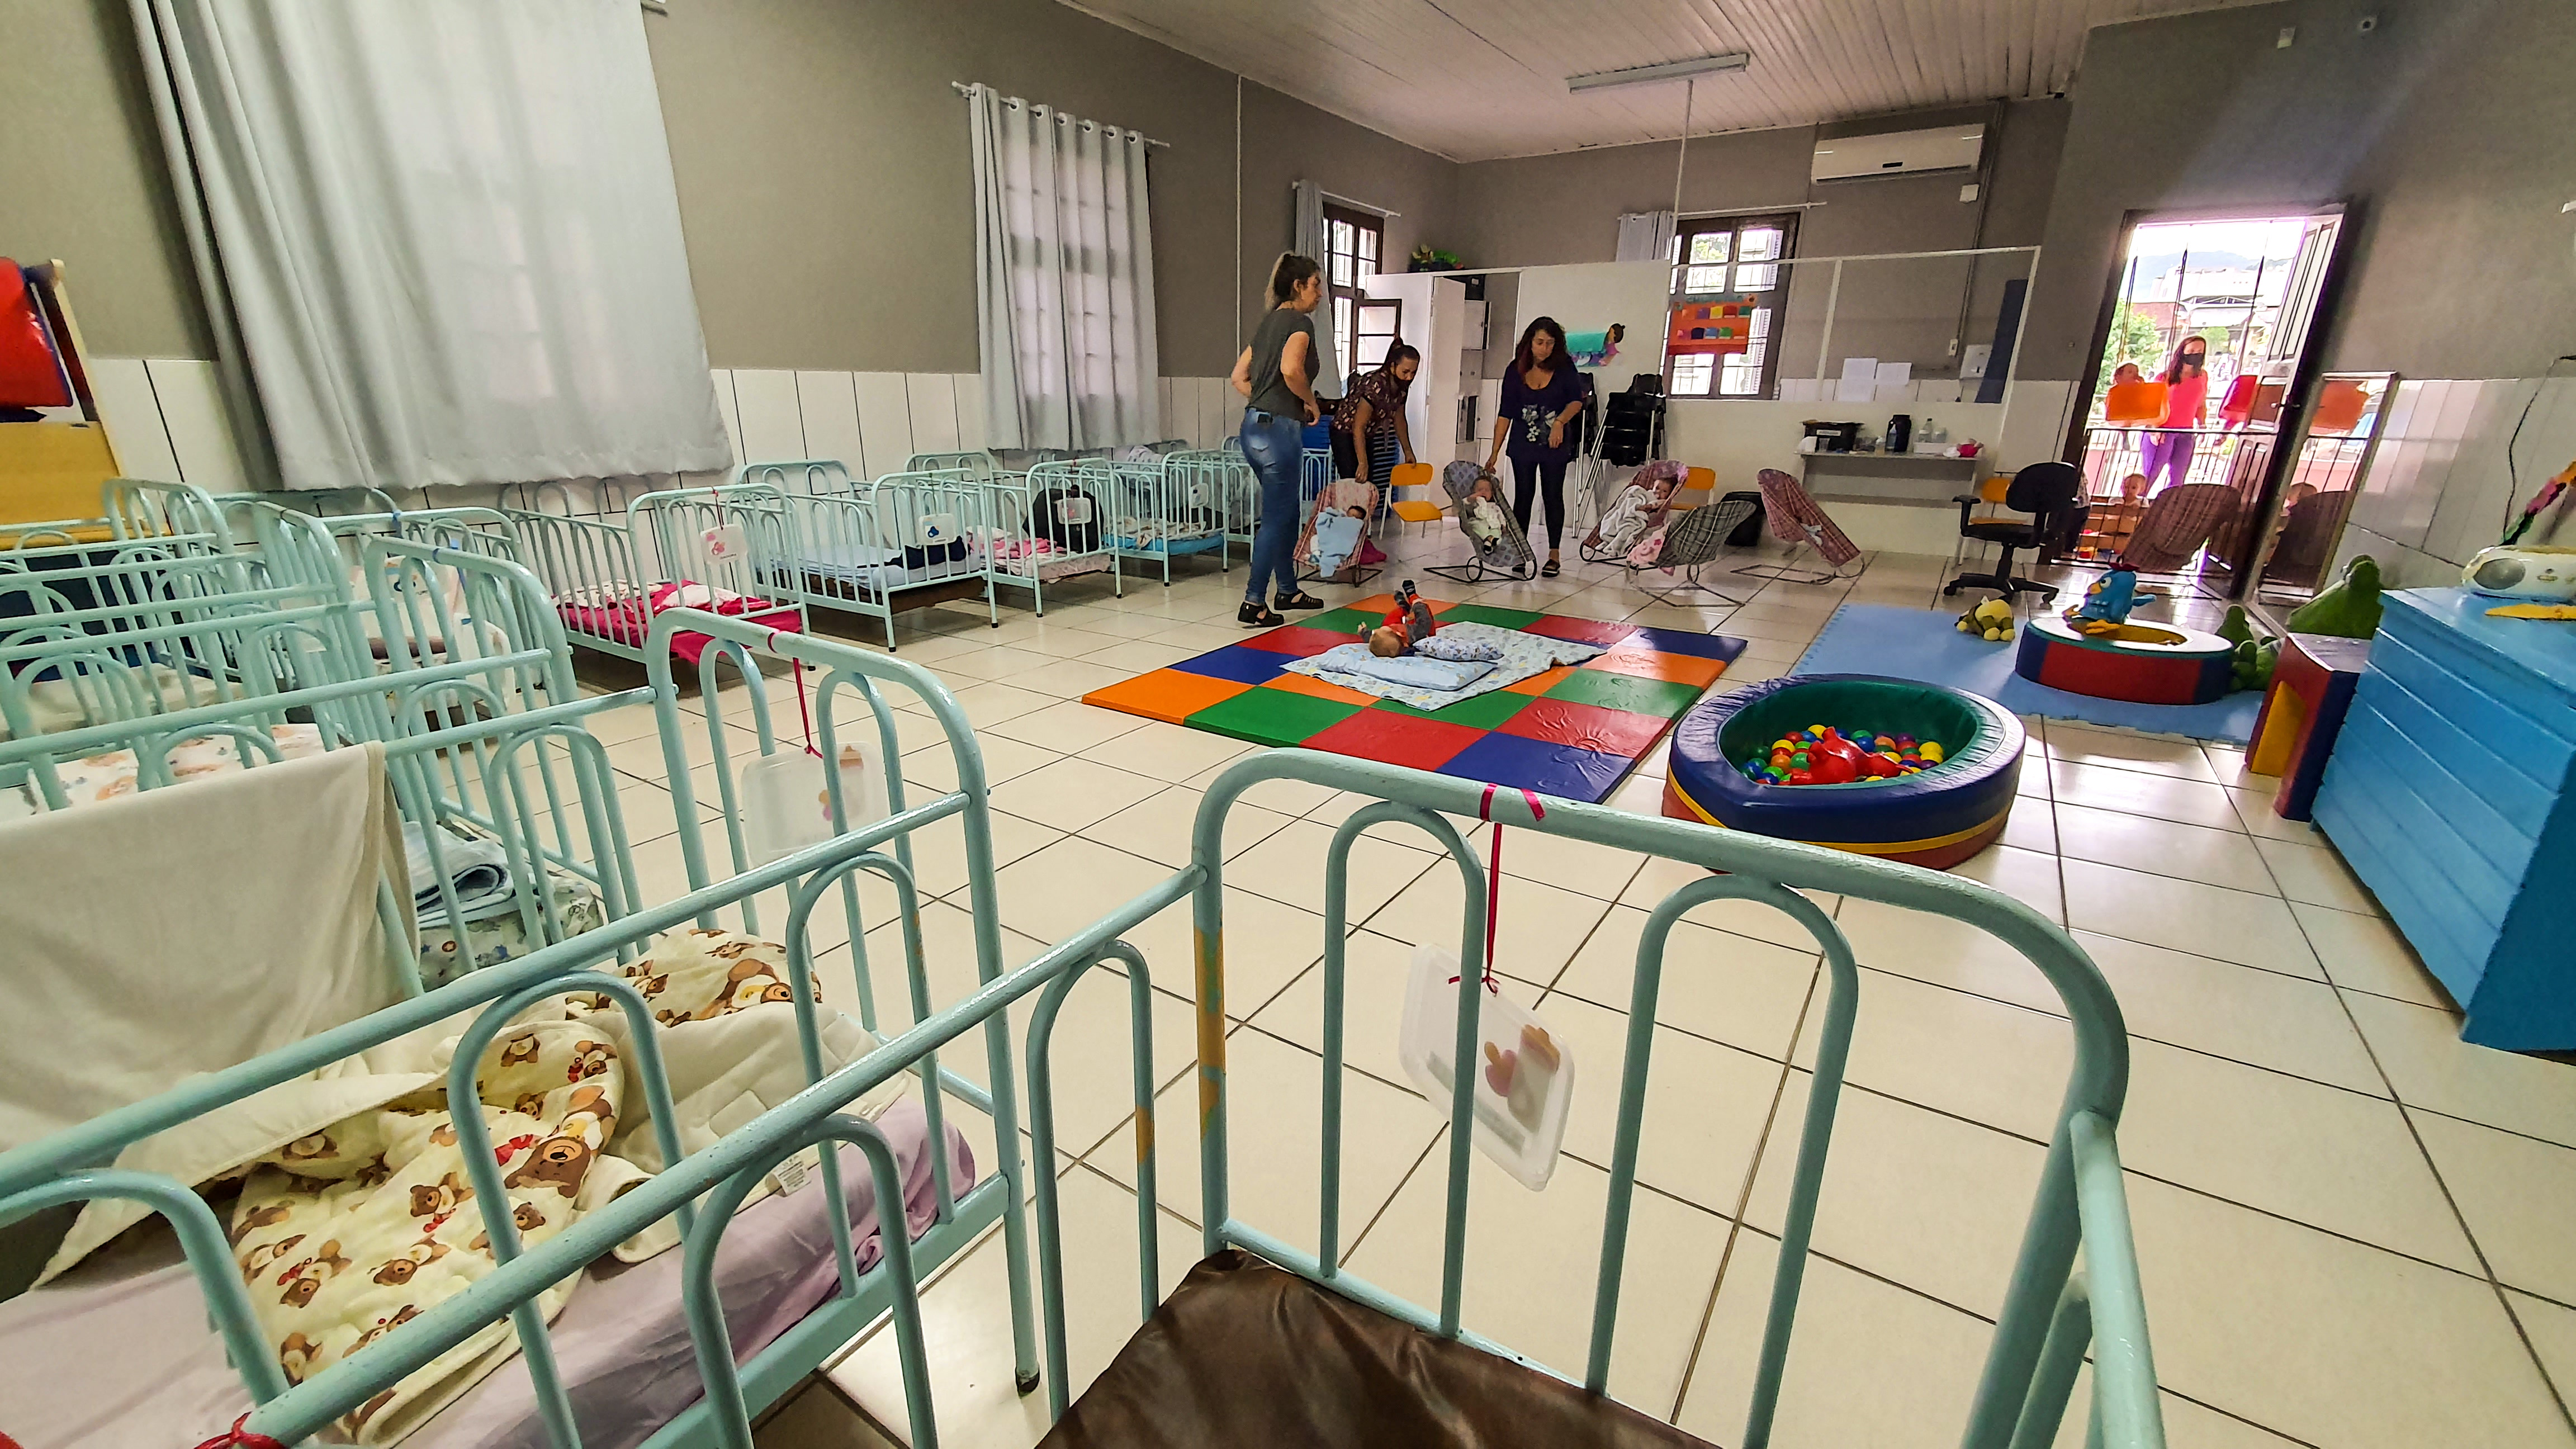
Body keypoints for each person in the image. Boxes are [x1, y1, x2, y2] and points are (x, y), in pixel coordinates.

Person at [1229, 253, 1329, 626]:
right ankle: (1253, 601)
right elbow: (1291, 369)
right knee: (1275, 517)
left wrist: (1265, 401)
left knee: (1286, 511)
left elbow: (1239, 377)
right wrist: (1309, 402)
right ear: (1298, 286)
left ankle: (1287, 589)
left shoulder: (1267, 324)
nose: (1320, 294)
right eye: (1316, 285)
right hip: (1278, 433)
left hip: (1252, 428)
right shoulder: (1300, 323)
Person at [1484, 316, 1589, 577]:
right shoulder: (1515, 370)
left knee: (1553, 495)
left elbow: (1576, 401)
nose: (1545, 348)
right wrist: (1495, 452)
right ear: (1529, 342)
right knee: (1523, 496)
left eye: (1550, 343)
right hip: (1523, 442)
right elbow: (1505, 413)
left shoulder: (1564, 367)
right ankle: (1520, 551)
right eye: (1540, 342)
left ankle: (1554, 555)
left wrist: (1560, 422)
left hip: (1554, 442)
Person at [1332, 342, 1420, 496]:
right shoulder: (1375, 385)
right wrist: (1362, 462)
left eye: (1414, 372)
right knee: (1354, 482)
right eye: (1405, 372)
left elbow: (1399, 419)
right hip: (1345, 432)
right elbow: (1358, 426)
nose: (1409, 378)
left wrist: (1408, 451)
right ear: (1393, 367)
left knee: (1368, 483)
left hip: (1367, 434)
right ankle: (1351, 512)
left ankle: (1364, 513)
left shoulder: (1402, 387)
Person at [2137, 337, 2209, 491]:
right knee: (2149, 477)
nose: (2195, 354)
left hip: (2186, 433)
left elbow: (2201, 403)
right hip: (2163, 431)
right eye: (2191, 351)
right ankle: (2138, 504)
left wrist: (2202, 425)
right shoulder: (2164, 378)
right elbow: (2151, 406)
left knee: (2178, 480)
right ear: (2182, 352)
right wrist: (2154, 429)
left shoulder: (2202, 377)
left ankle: (2169, 505)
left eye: (2199, 351)